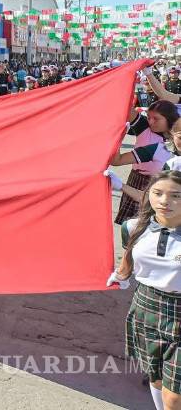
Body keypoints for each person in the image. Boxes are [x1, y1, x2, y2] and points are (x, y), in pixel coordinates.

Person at [108, 170, 181, 410]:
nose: (164, 202)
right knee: (156, 378)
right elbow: (127, 261)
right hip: (145, 308)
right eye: (157, 193)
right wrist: (120, 276)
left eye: (175, 196)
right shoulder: (133, 227)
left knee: (174, 397)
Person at [110, 100, 180, 225]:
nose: (151, 122)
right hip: (141, 184)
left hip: (170, 191)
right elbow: (125, 106)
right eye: (148, 117)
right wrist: (118, 136)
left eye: (156, 118)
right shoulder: (147, 132)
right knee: (140, 229)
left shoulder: (173, 141)